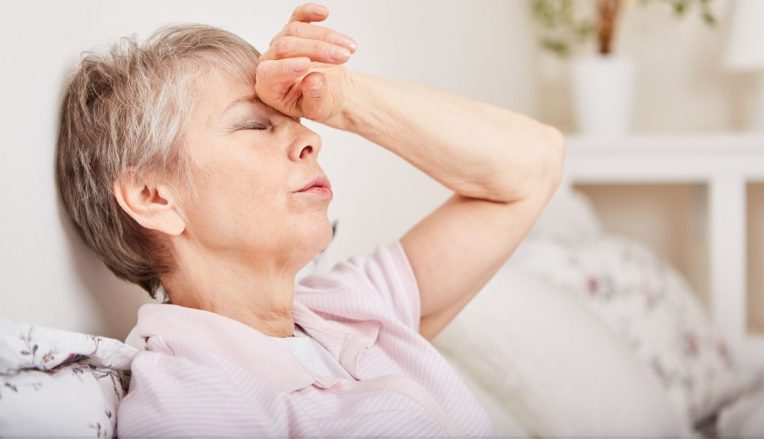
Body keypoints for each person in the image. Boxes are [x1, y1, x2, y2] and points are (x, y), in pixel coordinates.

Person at [55, 3, 564, 436]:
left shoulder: (348, 308)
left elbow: (533, 166)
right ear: (153, 197)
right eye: (254, 124)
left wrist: (345, 100)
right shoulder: (191, 400)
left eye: (298, 122)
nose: (312, 139)